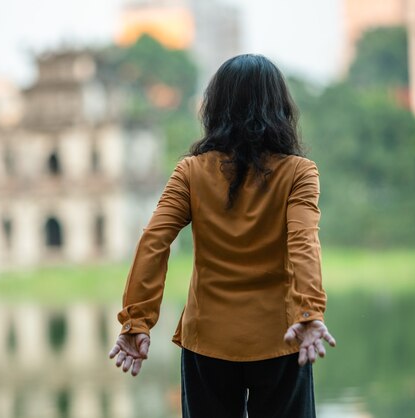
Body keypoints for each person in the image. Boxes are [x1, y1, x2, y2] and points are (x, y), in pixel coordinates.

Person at [108, 54, 336, 418]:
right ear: (280, 108)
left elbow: (154, 240)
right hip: (283, 337)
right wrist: (308, 311)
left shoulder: (190, 172)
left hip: (208, 343)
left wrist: (138, 318)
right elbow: (303, 242)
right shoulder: (299, 173)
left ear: (215, 108)